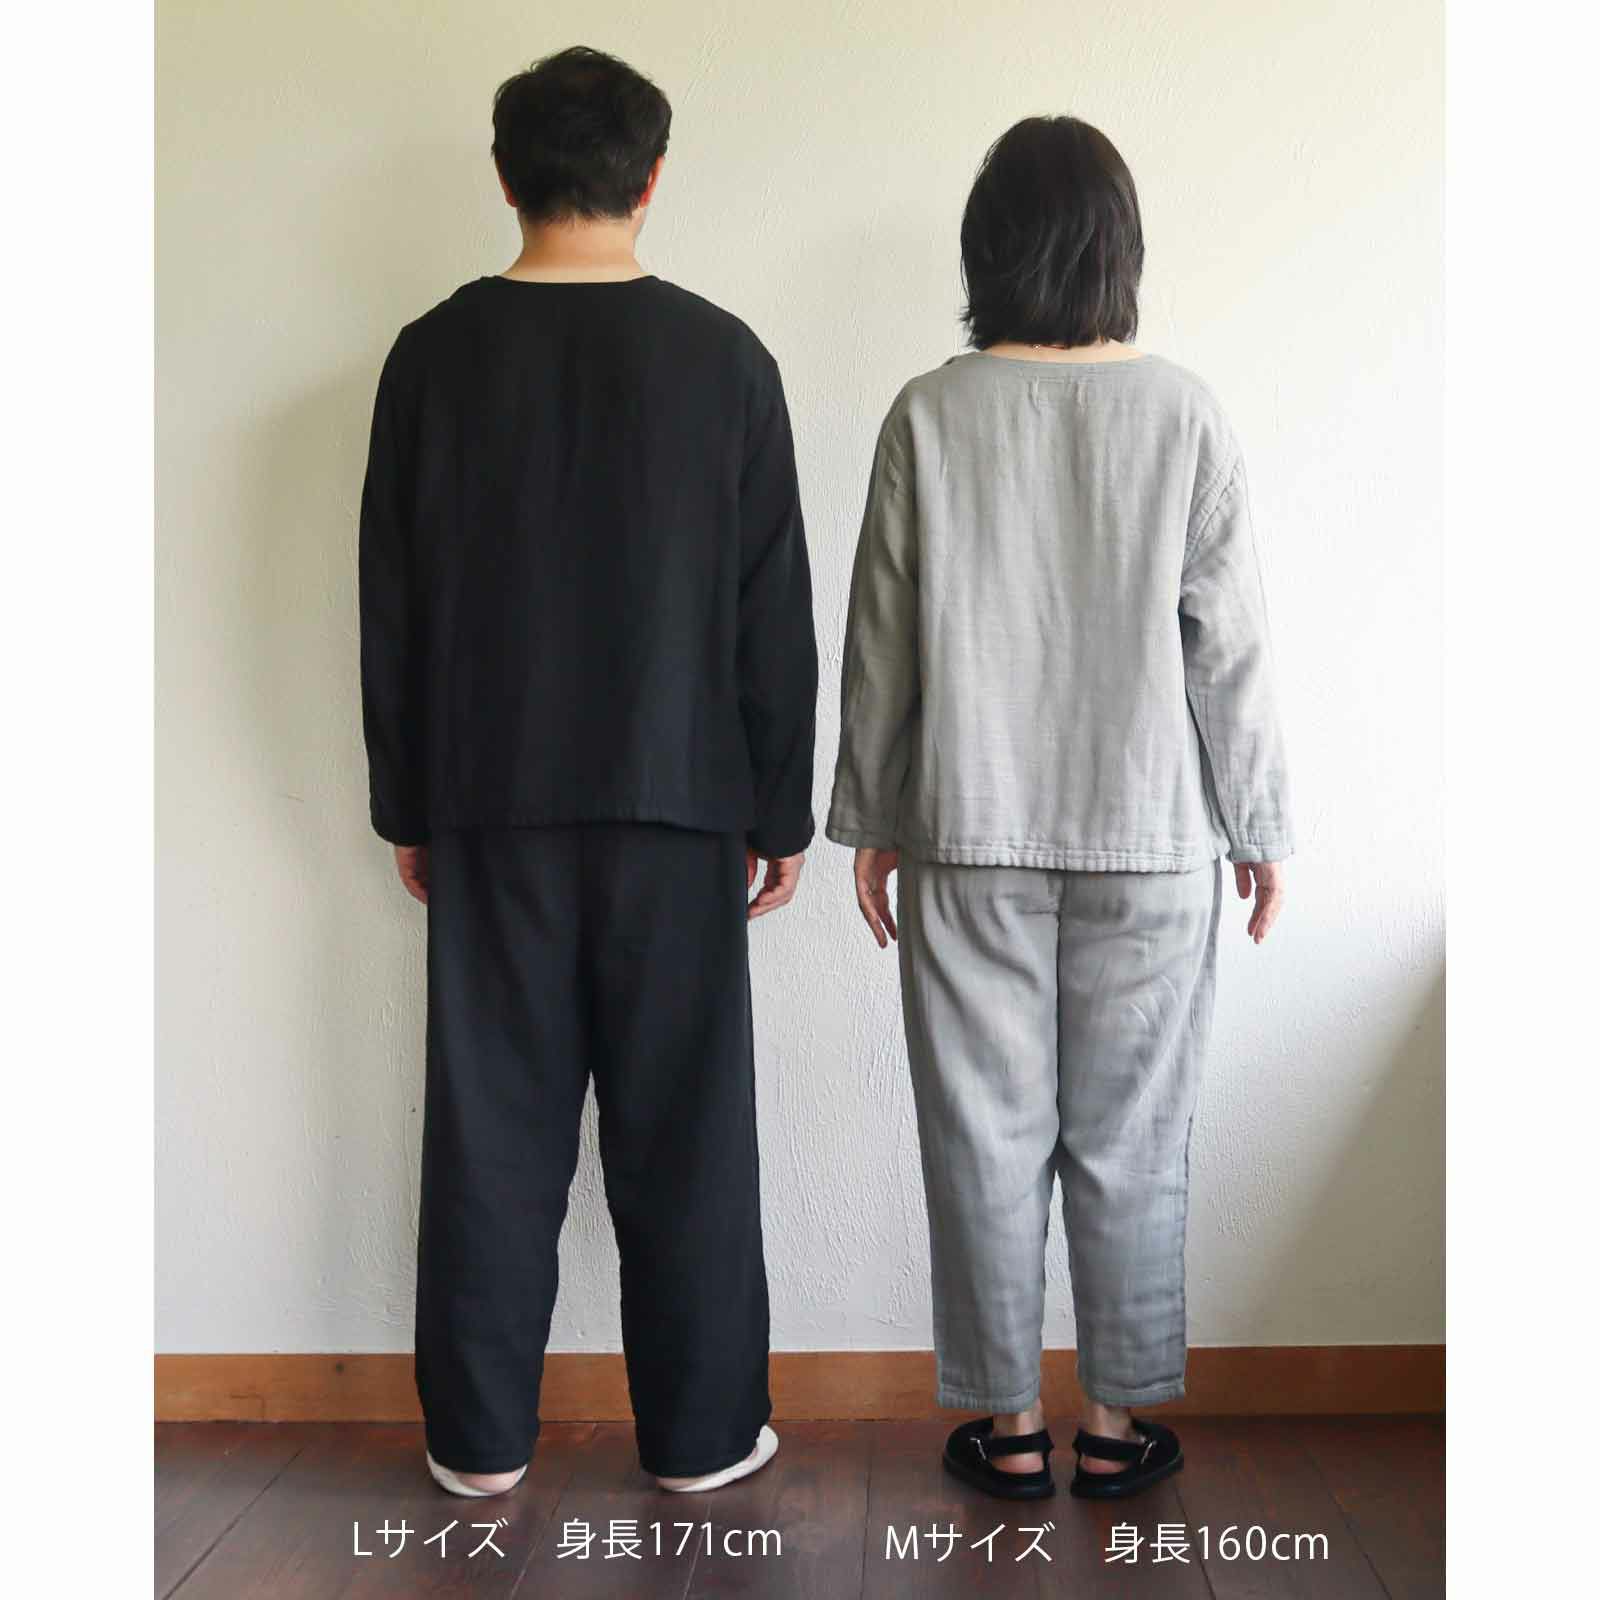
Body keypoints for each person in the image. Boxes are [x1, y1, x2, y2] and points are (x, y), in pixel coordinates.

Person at [359, 45, 817, 1499]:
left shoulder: (431, 358)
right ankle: (702, 1437)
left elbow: (390, 604)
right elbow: (771, 610)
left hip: (488, 804)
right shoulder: (727, 361)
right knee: (688, 1134)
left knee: (490, 1131)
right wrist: (781, 808)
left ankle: (477, 1442)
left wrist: (407, 803)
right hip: (681, 809)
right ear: (652, 176)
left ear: (506, 176)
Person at [827, 115, 1293, 1501]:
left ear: (990, 251)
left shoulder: (929, 414)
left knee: (983, 1136)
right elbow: (1232, 649)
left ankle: (1012, 1428)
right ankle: (1111, 1426)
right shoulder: (1186, 413)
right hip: (1151, 836)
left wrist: (871, 818)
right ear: (1117, 252)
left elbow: (880, 640)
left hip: (968, 826)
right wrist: (1261, 826)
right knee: (1132, 1142)